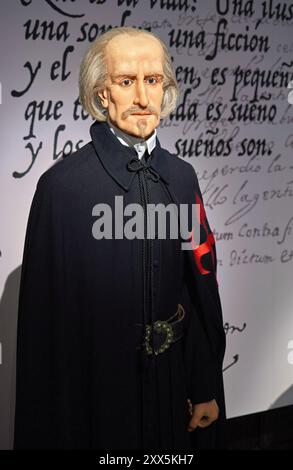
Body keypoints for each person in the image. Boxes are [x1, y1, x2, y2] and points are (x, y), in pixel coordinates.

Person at [14, 26, 226, 450]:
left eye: (153, 81)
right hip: (97, 394)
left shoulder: (181, 177)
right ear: (101, 93)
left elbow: (197, 286)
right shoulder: (62, 188)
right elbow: (43, 327)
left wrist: (204, 383)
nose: (144, 99)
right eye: (126, 82)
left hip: (170, 394)